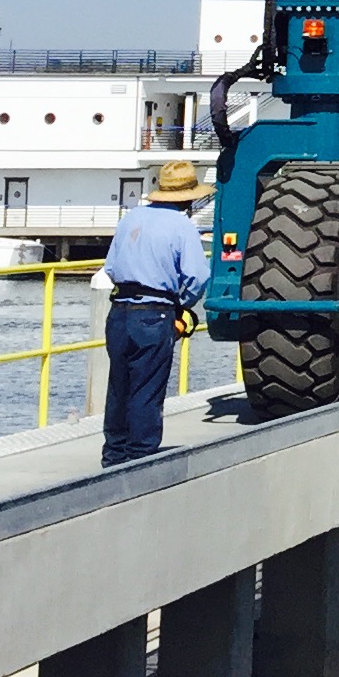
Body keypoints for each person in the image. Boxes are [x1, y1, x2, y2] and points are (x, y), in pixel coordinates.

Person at [99, 158, 211, 466]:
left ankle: (113, 456)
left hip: (119, 312)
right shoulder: (182, 226)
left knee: (119, 387)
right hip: (155, 314)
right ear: (189, 197)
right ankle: (140, 459)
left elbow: (110, 267)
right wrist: (182, 306)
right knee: (146, 390)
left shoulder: (130, 218)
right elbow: (198, 277)